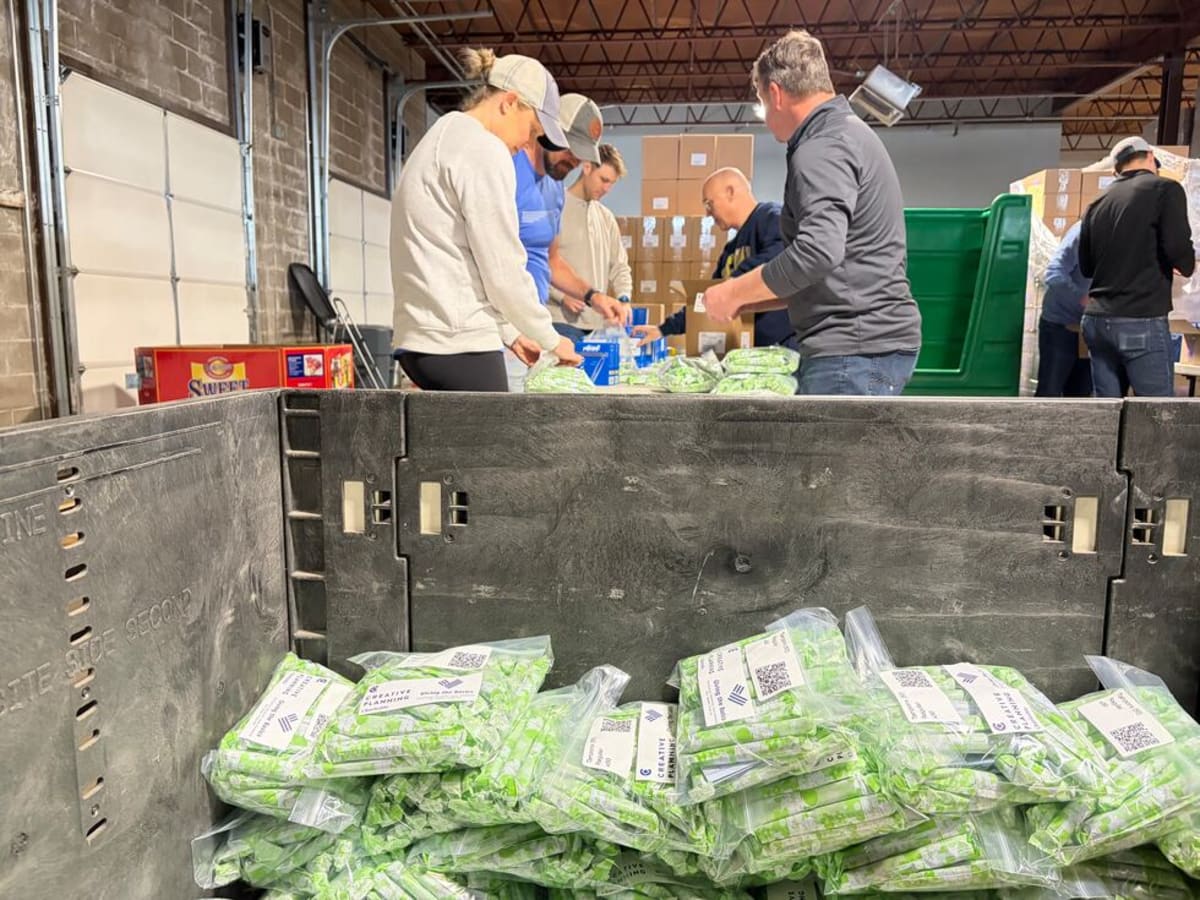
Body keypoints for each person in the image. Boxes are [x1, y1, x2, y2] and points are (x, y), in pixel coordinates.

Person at [701, 30, 923, 396]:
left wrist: (733, 292)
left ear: (776, 94)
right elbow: (827, 272)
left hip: (852, 350)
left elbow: (817, 253)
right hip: (864, 345)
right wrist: (750, 298)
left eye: (761, 101)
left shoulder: (821, 147)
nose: (765, 116)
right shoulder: (844, 134)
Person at [390, 50, 581, 391]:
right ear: (509, 103)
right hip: (457, 344)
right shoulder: (483, 149)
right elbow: (503, 268)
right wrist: (551, 338)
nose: (528, 143)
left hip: (423, 341)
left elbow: (463, 258)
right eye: (532, 130)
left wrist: (511, 332)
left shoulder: (444, 134)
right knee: (499, 429)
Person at [1079, 136, 1196, 397]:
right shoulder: (1165, 189)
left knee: (1108, 412)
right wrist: (1185, 266)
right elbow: (1177, 247)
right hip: (1139, 319)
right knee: (1155, 411)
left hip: (1096, 322)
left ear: (1116, 169)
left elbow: (1086, 267)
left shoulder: (1096, 203)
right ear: (1151, 158)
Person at [633, 167, 794, 350]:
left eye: (709, 204)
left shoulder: (772, 218)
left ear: (730, 192)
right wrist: (662, 330)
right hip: (752, 351)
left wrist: (730, 286)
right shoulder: (730, 250)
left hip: (784, 349)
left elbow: (779, 262)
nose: (707, 214)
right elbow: (707, 299)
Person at [514, 93, 630, 332]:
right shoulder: (510, 170)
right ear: (550, 129)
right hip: (509, 323)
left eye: (582, 154)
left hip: (534, 322)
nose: (575, 160)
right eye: (572, 149)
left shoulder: (554, 188)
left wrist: (593, 297)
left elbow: (552, 261)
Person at [549, 143, 634, 342]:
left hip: (597, 326)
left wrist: (624, 299)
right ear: (587, 167)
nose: (607, 189)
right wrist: (561, 296)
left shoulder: (606, 217)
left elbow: (620, 266)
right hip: (561, 322)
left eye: (611, 183)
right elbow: (536, 263)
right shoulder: (555, 208)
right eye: (604, 180)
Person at [1036, 222, 1093, 397]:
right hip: (1060, 325)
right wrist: (1082, 300)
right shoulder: (1083, 232)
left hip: (1088, 327)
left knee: (1080, 397)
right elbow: (1054, 274)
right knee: (1049, 393)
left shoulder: (1124, 236)